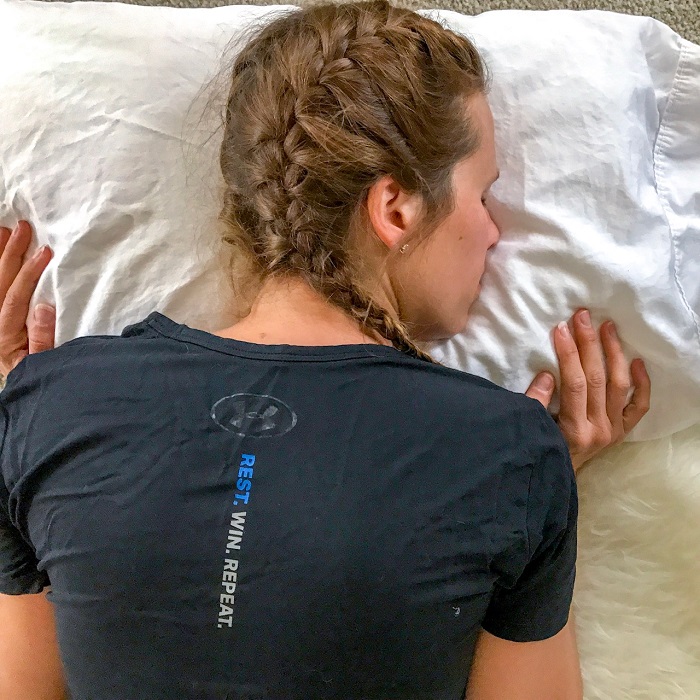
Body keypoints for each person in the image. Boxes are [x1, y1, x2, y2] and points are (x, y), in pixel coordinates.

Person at [0, 1, 650, 699]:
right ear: (396, 208)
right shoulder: (509, 453)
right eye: (481, 194)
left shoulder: (50, 405)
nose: (493, 232)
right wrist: (533, 491)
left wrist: (26, 418)